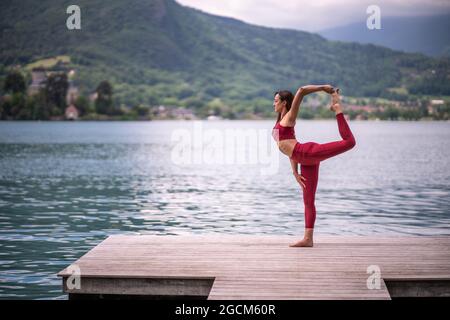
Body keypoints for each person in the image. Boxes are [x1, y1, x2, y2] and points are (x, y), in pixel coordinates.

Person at [272, 86, 356, 247]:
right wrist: (294, 172)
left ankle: (337, 109)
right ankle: (308, 239)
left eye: (276, 101)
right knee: (308, 201)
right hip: (304, 160)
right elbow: (290, 148)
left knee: (350, 142)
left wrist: (323, 88)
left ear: (284, 103)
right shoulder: (281, 121)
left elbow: (302, 90)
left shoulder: (290, 116)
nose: (273, 104)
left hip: (308, 153)